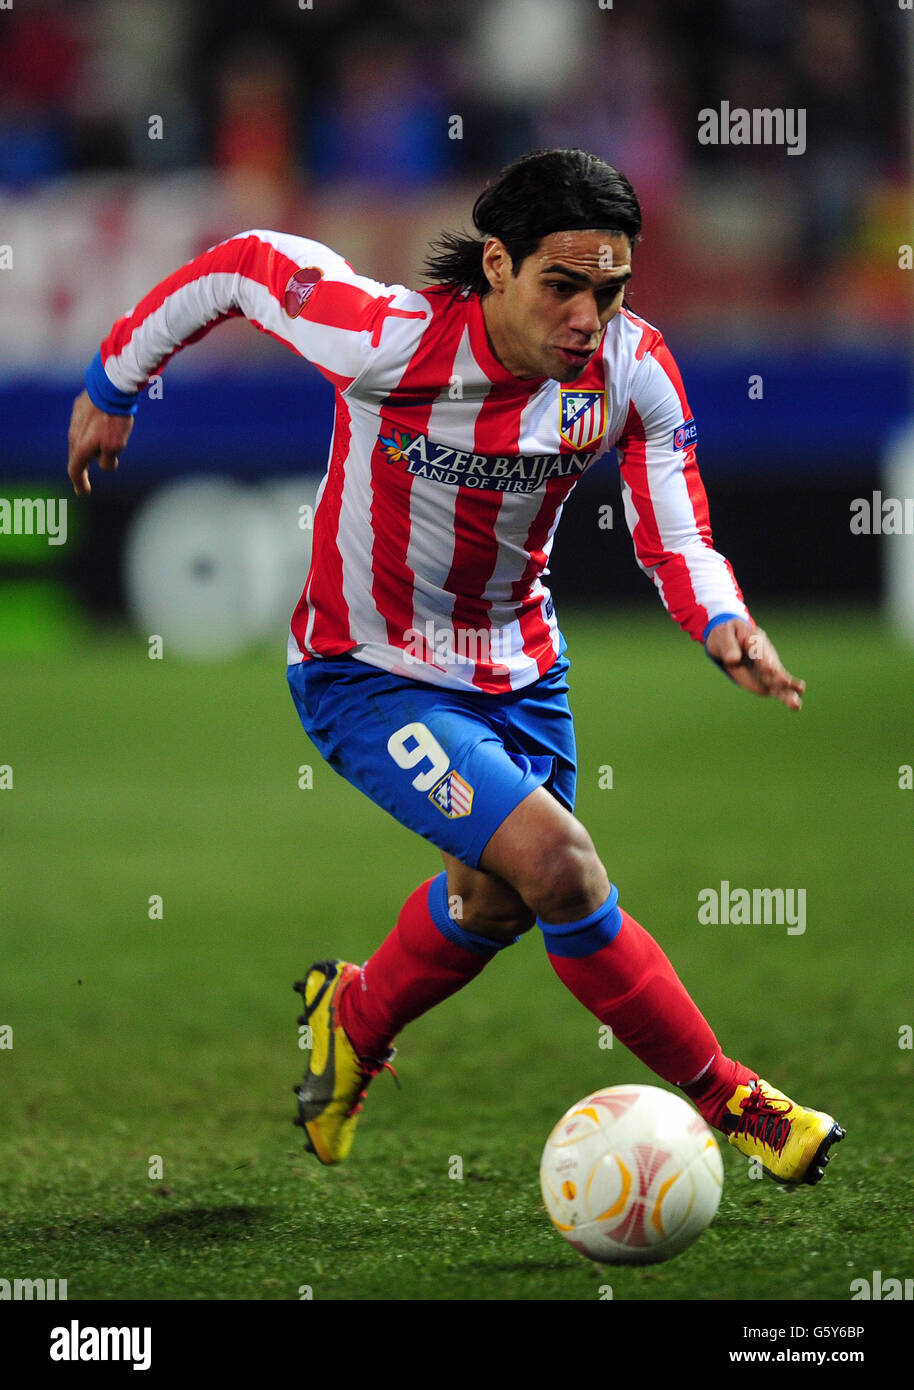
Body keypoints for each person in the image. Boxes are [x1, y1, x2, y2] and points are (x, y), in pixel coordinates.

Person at [67, 148, 844, 1185]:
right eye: (560, 287)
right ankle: (735, 1103)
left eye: (607, 292)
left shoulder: (632, 370)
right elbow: (244, 263)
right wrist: (115, 378)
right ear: (494, 265)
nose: (585, 317)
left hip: (522, 669)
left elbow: (673, 521)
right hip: (364, 672)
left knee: (495, 903)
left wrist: (720, 618)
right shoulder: (387, 337)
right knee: (559, 865)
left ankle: (352, 1017)